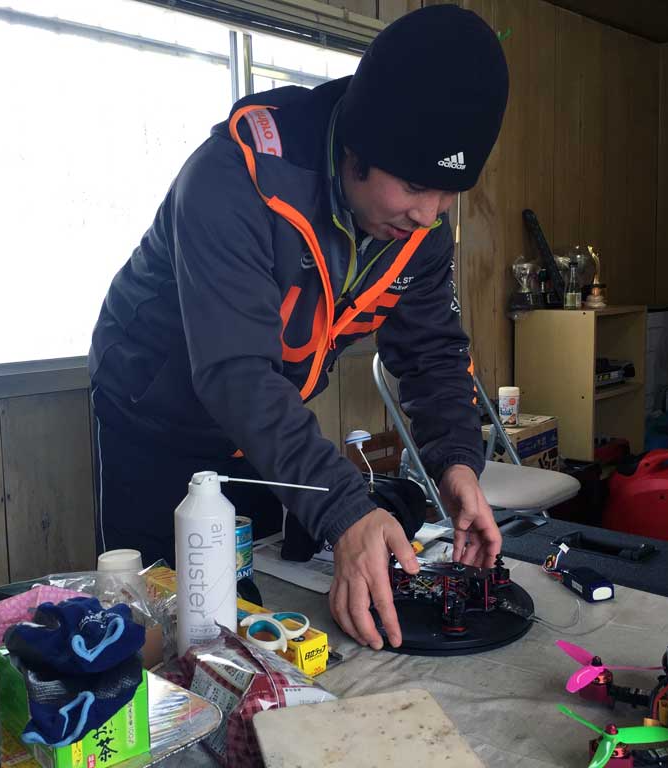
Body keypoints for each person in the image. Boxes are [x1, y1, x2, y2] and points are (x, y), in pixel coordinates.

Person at [88, 4, 509, 650]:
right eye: (414, 185)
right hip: (153, 417)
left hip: (257, 432)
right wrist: (345, 511)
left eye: (449, 193)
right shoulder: (235, 180)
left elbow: (433, 353)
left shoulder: (420, 228)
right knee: (158, 631)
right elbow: (236, 375)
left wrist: (457, 462)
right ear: (360, 147)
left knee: (252, 617)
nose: (429, 215)